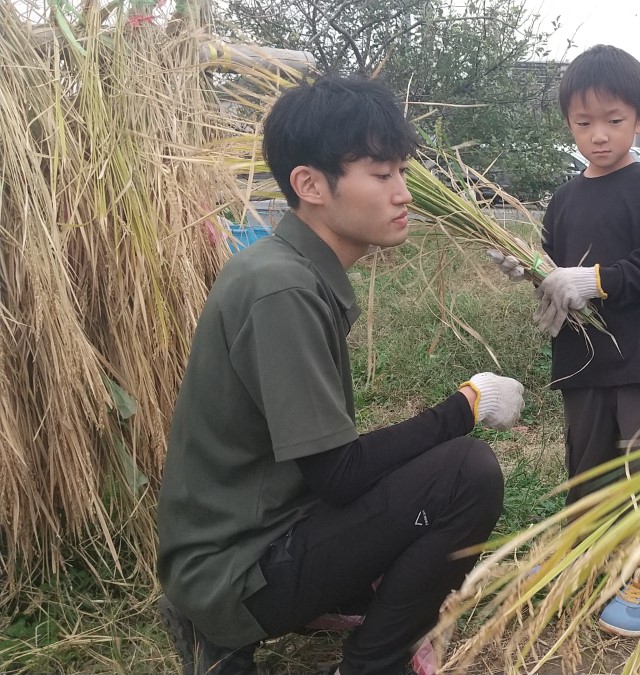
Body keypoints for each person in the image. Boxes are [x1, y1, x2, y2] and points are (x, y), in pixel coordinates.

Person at [156, 76, 526, 675]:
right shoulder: (282, 290)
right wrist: (468, 404)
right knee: (466, 473)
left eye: (402, 173)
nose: (404, 194)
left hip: (258, 531)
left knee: (422, 475)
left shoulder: (287, 269)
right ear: (310, 185)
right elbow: (339, 475)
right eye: (382, 176)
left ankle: (332, 607)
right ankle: (368, 664)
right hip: (234, 567)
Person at [489, 44, 640, 638]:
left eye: (614, 120)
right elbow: (553, 270)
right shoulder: (567, 197)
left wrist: (595, 279)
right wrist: (525, 268)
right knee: (588, 468)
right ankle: (598, 560)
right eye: (583, 123)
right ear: (568, 123)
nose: (598, 136)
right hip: (581, 359)